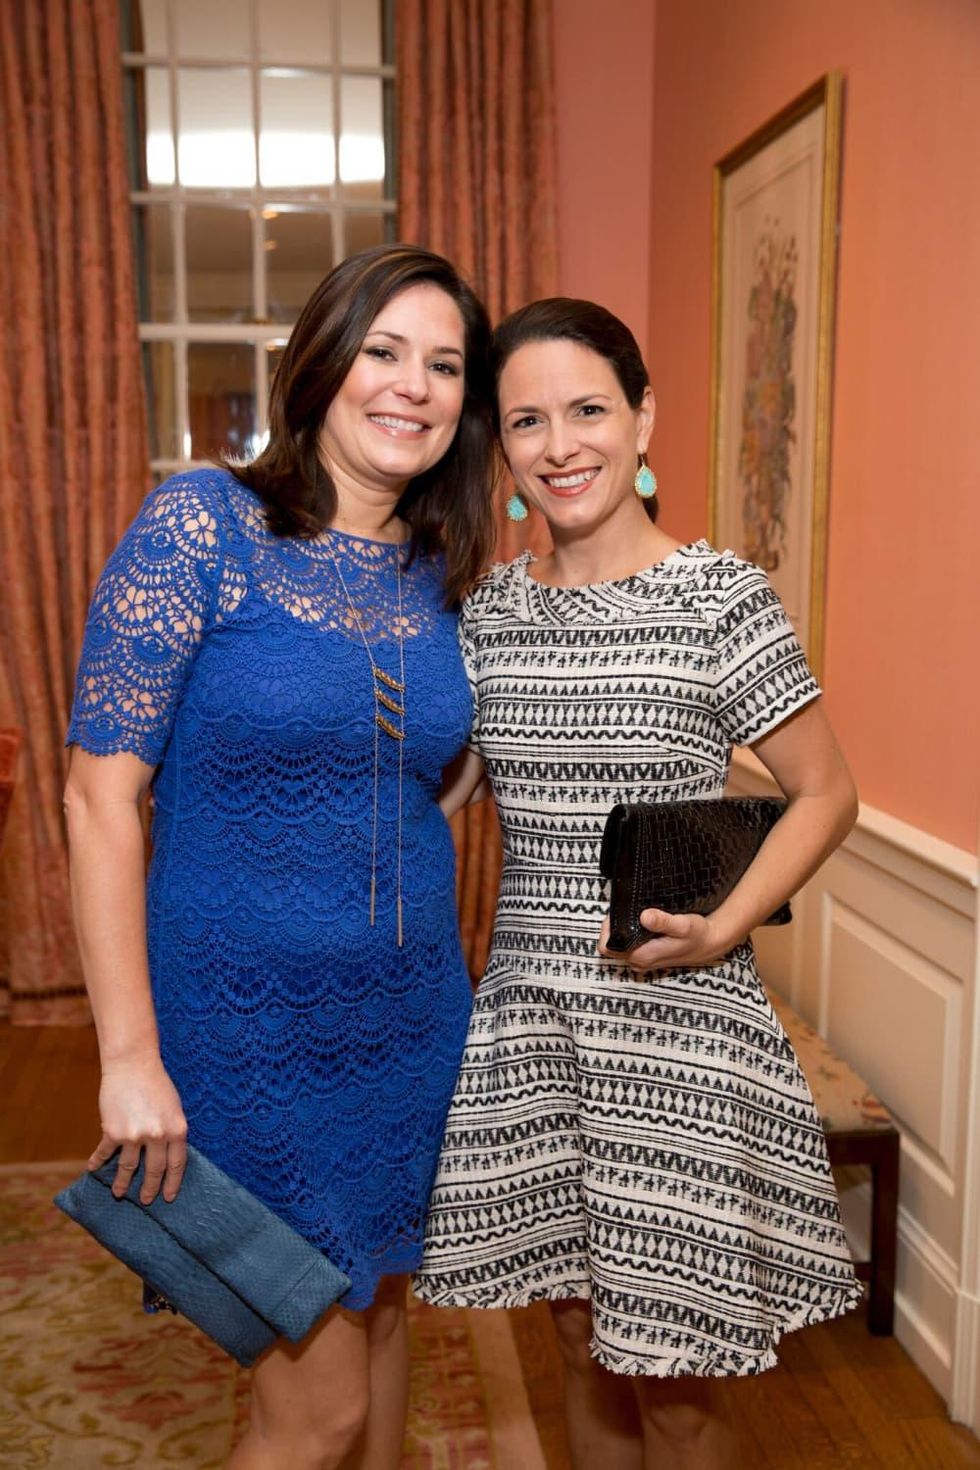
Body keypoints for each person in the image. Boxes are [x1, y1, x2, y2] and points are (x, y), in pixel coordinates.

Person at [63, 244, 495, 1470]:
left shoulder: (441, 574)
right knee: (317, 1410)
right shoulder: (202, 526)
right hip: (247, 1032)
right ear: (321, 361)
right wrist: (129, 1055)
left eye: (445, 364)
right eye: (384, 351)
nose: (412, 385)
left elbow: (429, 777)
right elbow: (99, 802)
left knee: (385, 1311)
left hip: (409, 1024)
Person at [413, 298, 863, 1470]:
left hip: (675, 1027)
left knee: (670, 1380)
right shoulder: (489, 615)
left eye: (587, 410)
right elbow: (438, 793)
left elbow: (825, 793)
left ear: (641, 417)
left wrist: (722, 925)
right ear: (498, 449)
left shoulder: (719, 598)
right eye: (525, 420)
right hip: (534, 1022)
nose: (559, 444)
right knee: (574, 1342)